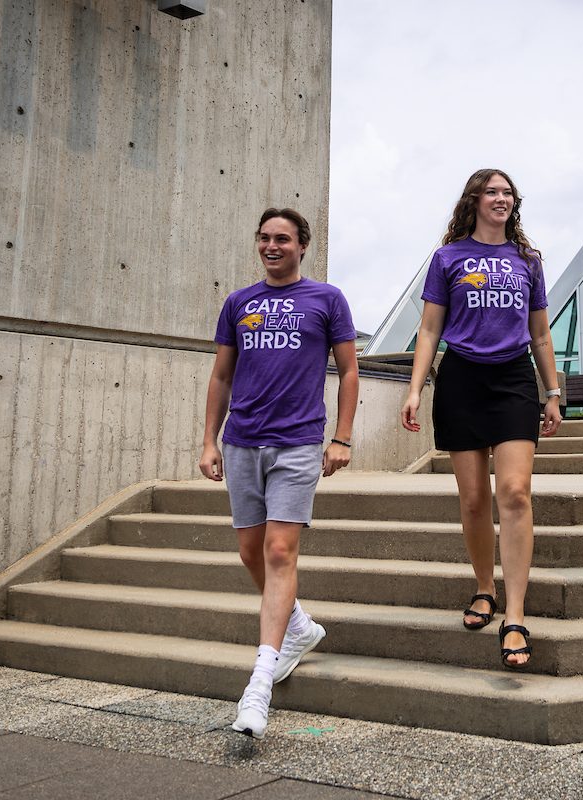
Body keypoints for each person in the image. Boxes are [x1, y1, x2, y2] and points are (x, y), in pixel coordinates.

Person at [199, 207, 359, 739]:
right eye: (265, 238)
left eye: (283, 239)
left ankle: (260, 684)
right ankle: (296, 627)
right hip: (242, 441)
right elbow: (222, 374)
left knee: (278, 551)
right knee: (250, 552)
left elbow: (350, 369)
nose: (272, 246)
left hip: (297, 442)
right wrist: (208, 440)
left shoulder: (326, 300)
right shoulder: (238, 303)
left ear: (302, 246)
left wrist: (341, 437)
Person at [401, 169, 562, 670]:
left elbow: (539, 333)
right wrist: (413, 388)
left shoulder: (527, 261)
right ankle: (485, 588)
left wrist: (552, 391)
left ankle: (515, 615)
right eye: (491, 192)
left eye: (507, 192)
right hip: (461, 380)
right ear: (473, 200)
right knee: (473, 499)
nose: (501, 198)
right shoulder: (447, 258)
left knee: (513, 493)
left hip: (513, 379)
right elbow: (429, 329)